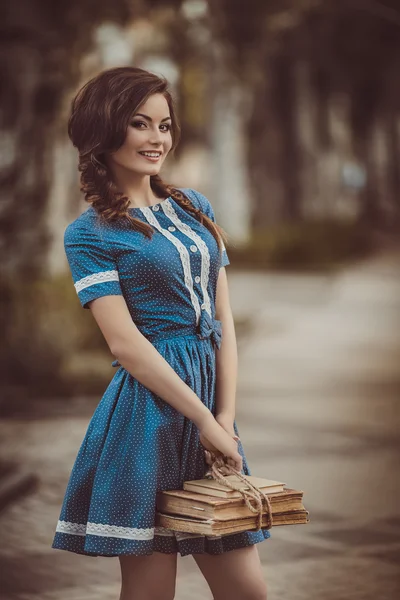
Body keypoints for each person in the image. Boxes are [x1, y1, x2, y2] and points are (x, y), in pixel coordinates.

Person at [52, 66, 270, 600]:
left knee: (248, 591)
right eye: (140, 124)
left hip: (210, 410)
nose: (158, 140)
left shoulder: (197, 208)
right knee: (151, 593)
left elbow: (222, 325)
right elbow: (125, 344)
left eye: (165, 125)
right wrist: (202, 418)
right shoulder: (89, 234)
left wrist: (222, 418)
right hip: (145, 419)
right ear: (105, 130)